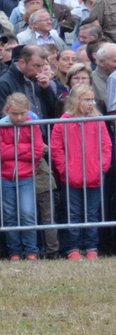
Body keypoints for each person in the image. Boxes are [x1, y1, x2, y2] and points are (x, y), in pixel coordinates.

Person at [51, 84, 110, 259]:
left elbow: (106, 146)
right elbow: (56, 148)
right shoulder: (63, 121)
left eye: (92, 99)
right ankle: (73, 248)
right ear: (76, 100)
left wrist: (102, 168)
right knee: (73, 213)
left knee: (92, 213)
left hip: (94, 175)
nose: (91, 103)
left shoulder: (97, 120)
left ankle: (91, 247)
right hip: (72, 176)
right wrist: (65, 169)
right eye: (86, 99)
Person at [0, 94, 43, 260]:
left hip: (26, 176)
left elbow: (37, 151)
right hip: (5, 176)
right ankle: (14, 251)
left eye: (22, 113)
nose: (19, 117)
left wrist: (13, 149)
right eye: (15, 114)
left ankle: (31, 250)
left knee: (27, 213)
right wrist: (23, 149)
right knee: (9, 215)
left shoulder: (33, 125)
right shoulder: (0, 126)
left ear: (28, 111)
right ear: (8, 111)